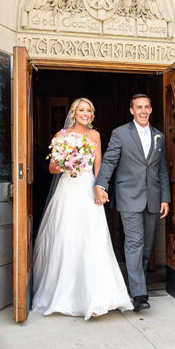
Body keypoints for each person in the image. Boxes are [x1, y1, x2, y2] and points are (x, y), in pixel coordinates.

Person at [31, 98, 133, 319]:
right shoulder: (61, 136)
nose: (85, 114)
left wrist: (100, 188)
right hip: (68, 190)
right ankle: (66, 296)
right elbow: (51, 168)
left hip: (87, 190)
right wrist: (68, 160)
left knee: (93, 239)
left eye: (88, 111)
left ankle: (96, 298)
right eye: (81, 110)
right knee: (67, 238)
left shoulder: (94, 136)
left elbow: (99, 168)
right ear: (74, 113)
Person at [94, 94, 171, 312]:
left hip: (153, 200)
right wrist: (100, 185)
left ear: (151, 109)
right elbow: (109, 161)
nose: (143, 111)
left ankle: (138, 283)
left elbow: (162, 170)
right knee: (134, 243)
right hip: (128, 196)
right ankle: (139, 294)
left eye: (147, 107)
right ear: (132, 111)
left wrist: (165, 198)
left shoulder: (159, 137)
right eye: (139, 107)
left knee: (146, 246)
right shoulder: (120, 133)